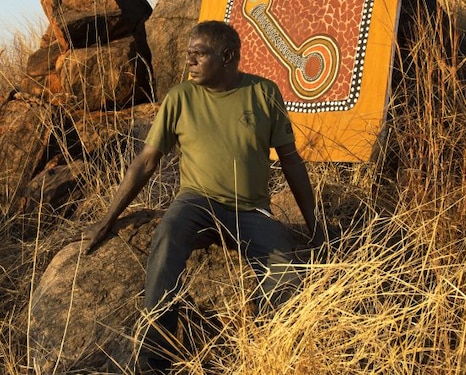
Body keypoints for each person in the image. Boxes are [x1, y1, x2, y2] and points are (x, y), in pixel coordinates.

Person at [83, 20, 325, 374]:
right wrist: (108, 219)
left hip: (252, 210)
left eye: (198, 54)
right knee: (166, 239)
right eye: (188, 54)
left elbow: (290, 160)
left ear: (227, 56)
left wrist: (315, 226)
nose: (189, 62)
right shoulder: (180, 97)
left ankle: (267, 354)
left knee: (285, 269)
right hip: (196, 203)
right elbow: (147, 160)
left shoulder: (264, 93)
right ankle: (154, 362)